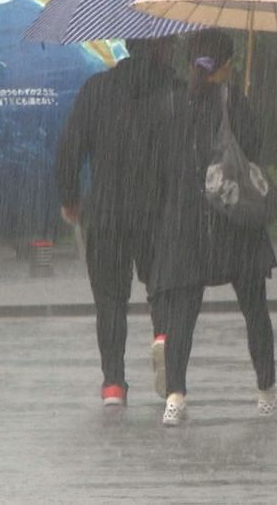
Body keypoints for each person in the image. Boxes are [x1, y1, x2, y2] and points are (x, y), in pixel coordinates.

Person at [149, 30, 277, 427]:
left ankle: (175, 398)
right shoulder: (233, 101)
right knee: (255, 310)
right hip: (233, 222)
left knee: (182, 314)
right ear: (228, 65)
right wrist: (240, 103)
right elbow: (253, 150)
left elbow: (160, 163)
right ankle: (267, 391)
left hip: (186, 224)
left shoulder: (170, 104)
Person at [55, 36, 181, 408]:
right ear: (162, 48)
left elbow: (69, 148)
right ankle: (164, 342)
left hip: (106, 212)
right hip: (159, 212)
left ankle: (113, 383)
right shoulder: (175, 93)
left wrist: (70, 199)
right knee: (163, 289)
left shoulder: (97, 89)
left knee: (110, 300)